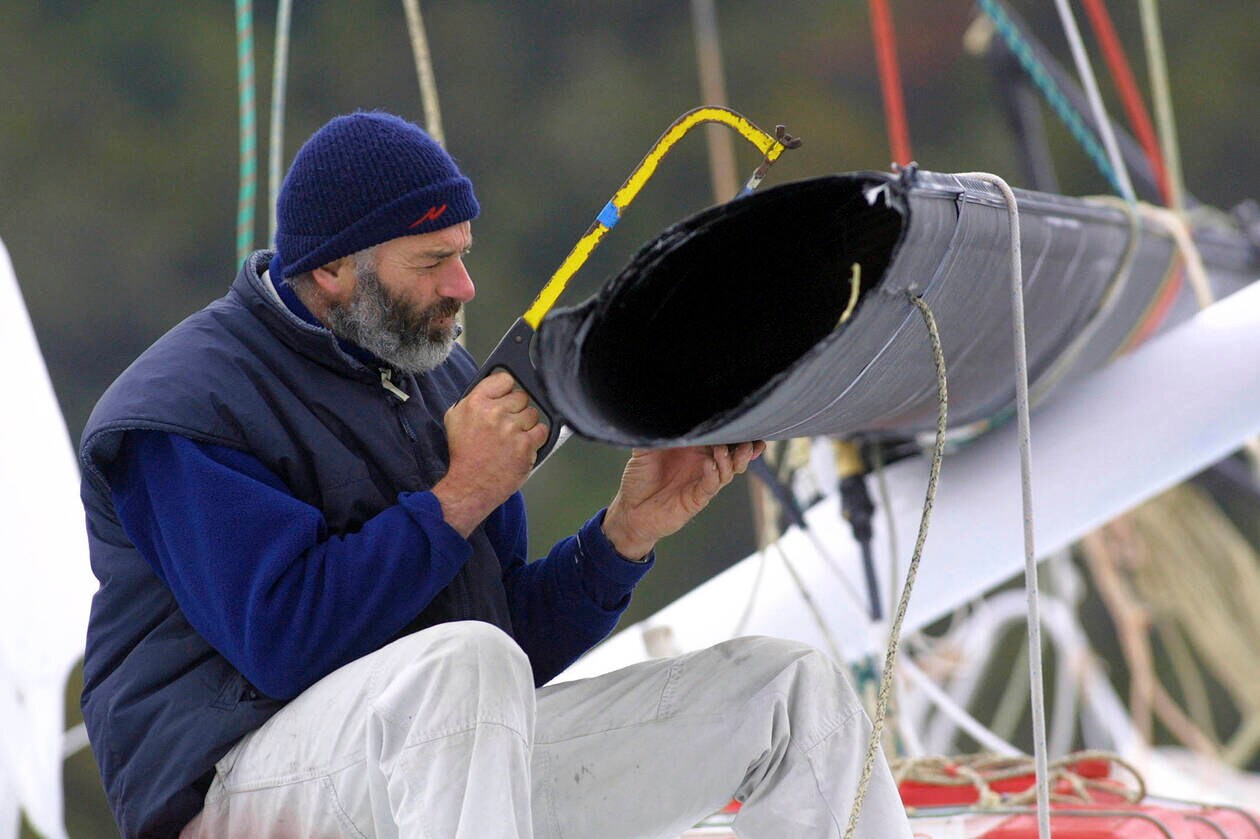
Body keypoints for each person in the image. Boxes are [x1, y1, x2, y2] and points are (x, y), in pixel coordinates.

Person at [79, 111, 911, 839]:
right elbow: (287, 643)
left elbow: (505, 646)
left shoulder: (433, 371)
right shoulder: (182, 411)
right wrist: (461, 495)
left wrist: (626, 535)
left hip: (432, 766)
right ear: (333, 271)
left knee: (792, 690)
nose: (464, 286)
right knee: (465, 668)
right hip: (236, 793)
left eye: (465, 255)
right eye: (431, 262)